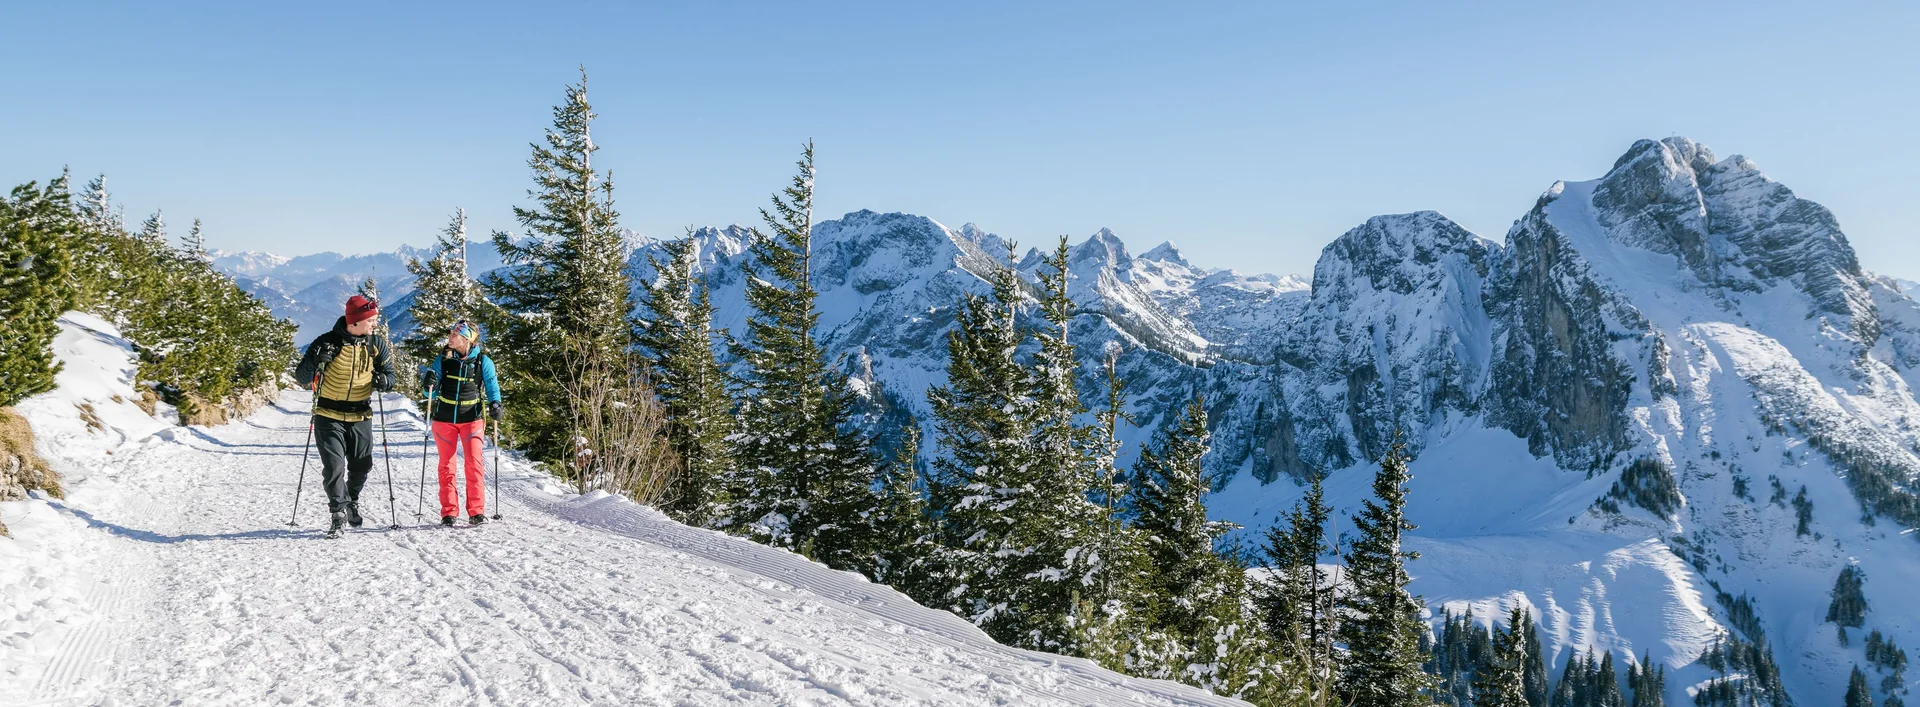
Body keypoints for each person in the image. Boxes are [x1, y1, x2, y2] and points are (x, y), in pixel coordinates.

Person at [293, 294, 396, 536]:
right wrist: (316, 360)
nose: (375, 324)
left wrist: (385, 381)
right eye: (371, 320)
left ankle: (351, 499)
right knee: (334, 466)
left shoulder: (376, 345)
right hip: (328, 414)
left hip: (361, 414)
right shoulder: (326, 343)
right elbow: (301, 377)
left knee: (362, 465)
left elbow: (390, 375)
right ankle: (338, 513)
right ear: (355, 321)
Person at [419, 320, 501, 526]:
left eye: (454, 335)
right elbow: (429, 394)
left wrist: (495, 404)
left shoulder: (483, 361)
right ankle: (449, 513)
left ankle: (476, 512)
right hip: (443, 418)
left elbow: (492, 387)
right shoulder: (442, 360)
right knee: (447, 465)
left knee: (474, 464)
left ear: (466, 339)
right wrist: (428, 385)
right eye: (450, 333)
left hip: (472, 419)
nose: (450, 337)